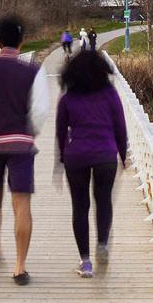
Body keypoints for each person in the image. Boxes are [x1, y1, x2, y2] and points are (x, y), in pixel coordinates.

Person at [0, 15, 51, 284]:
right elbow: (40, 111)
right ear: (22, 40)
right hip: (20, 144)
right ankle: (19, 266)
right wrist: (29, 132)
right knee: (21, 201)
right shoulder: (32, 72)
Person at [55, 48, 128, 278]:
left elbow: (60, 132)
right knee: (103, 201)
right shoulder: (110, 94)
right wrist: (123, 155)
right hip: (105, 154)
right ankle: (102, 243)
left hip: (76, 155)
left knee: (80, 206)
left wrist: (62, 158)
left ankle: (85, 263)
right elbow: (120, 126)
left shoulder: (67, 99)